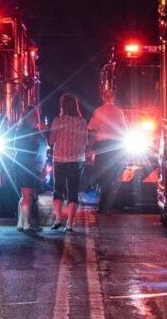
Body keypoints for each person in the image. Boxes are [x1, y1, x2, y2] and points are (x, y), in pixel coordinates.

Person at [48, 94, 89, 232]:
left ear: (62, 106)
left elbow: (51, 141)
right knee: (73, 192)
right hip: (77, 160)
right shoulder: (82, 122)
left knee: (58, 190)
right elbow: (86, 142)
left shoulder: (57, 121)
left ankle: (58, 219)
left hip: (60, 160)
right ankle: (70, 224)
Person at [86, 86, 128, 214]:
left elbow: (93, 130)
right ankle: (111, 203)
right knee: (114, 175)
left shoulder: (98, 111)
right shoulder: (119, 112)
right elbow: (124, 131)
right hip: (116, 146)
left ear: (103, 97)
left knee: (102, 175)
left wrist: (89, 148)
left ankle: (104, 204)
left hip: (103, 147)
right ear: (113, 98)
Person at [11, 107, 46, 231]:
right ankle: (26, 224)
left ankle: (21, 223)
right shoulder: (24, 131)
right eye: (31, 116)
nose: (34, 118)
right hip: (26, 166)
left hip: (33, 167)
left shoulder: (35, 130)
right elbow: (20, 148)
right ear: (26, 118)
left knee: (26, 195)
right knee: (27, 195)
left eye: (35, 116)